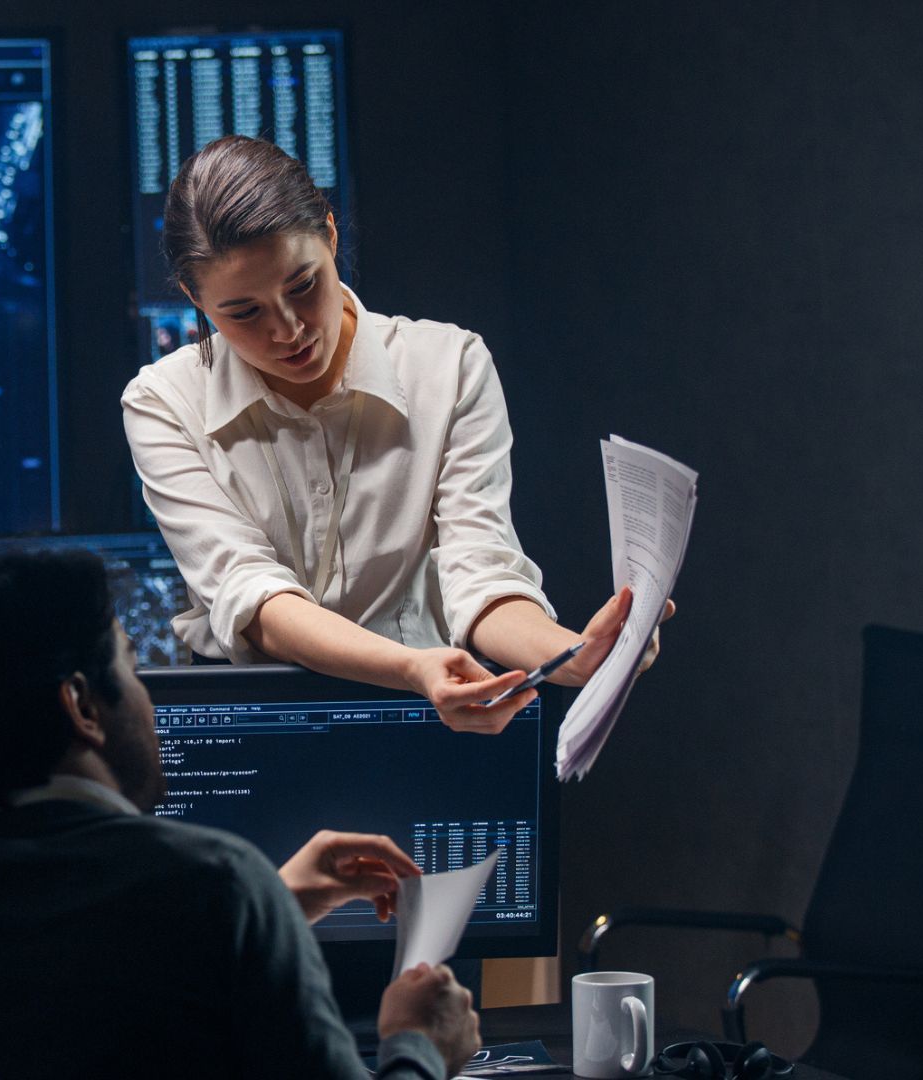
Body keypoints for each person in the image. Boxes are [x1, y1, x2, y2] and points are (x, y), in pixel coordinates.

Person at [122, 135, 674, 733]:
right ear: (193, 300)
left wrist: (568, 658)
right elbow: (251, 596)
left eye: (303, 285)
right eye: (244, 312)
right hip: (253, 724)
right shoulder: (162, 402)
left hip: (431, 713)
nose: (287, 330)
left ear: (331, 237)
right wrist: (412, 668)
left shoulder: (450, 366)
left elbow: (479, 570)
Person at [0, 547, 481, 1080]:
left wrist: (269, 907)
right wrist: (419, 1044)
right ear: (83, 705)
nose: (149, 700)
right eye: (131, 668)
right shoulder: (217, 879)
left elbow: (94, 980)